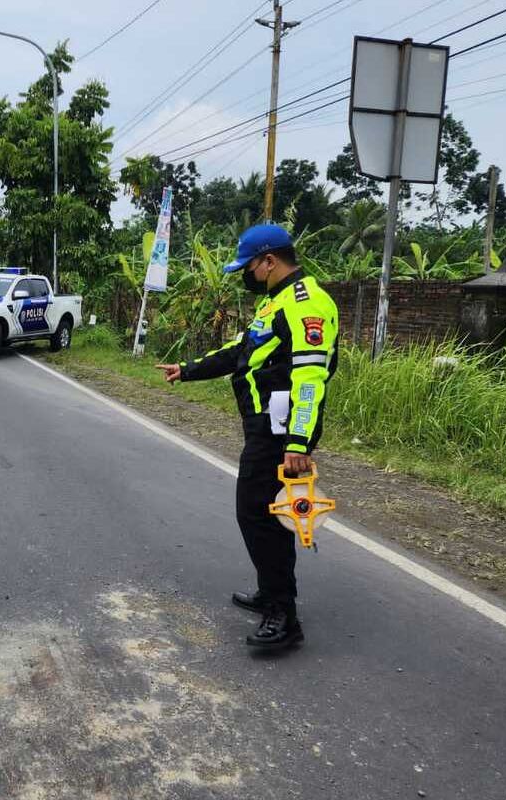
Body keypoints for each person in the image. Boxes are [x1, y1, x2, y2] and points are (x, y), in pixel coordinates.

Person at [157, 223, 338, 651]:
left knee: (258, 515)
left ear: (270, 261)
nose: (246, 275)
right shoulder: (276, 303)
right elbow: (242, 350)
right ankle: (270, 593)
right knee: (263, 515)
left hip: (280, 434)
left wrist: (298, 443)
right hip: (264, 425)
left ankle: (283, 615)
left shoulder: (306, 304)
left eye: (249, 266)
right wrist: (189, 370)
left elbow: (311, 380)